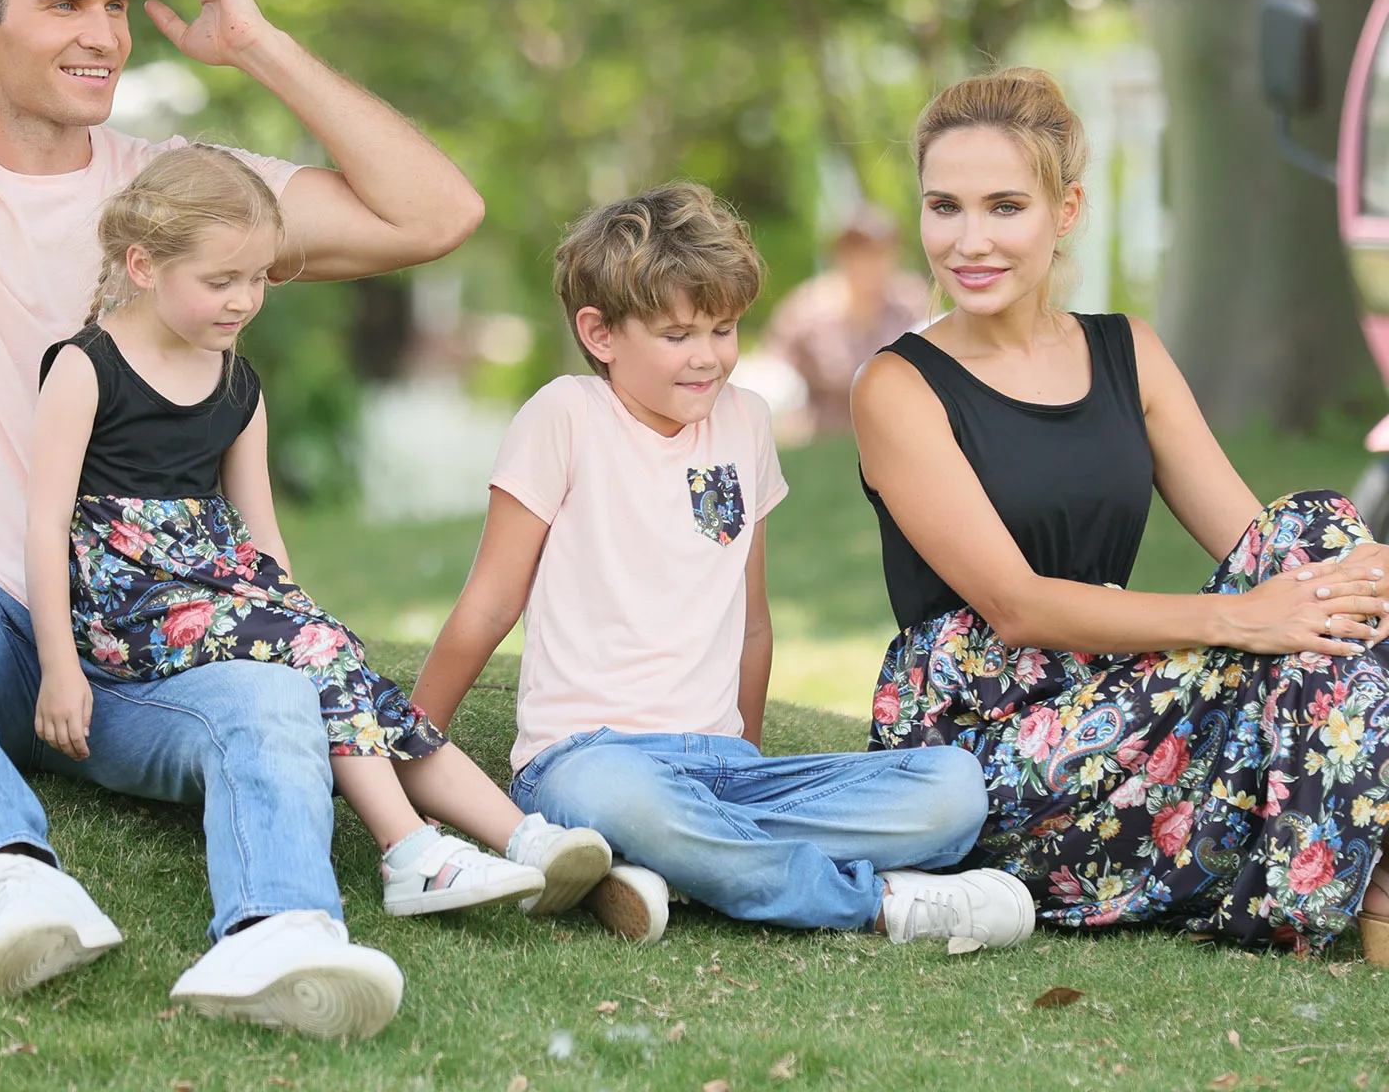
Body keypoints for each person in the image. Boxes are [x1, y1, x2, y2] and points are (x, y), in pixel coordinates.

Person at [0, 0, 487, 1038]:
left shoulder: (174, 199)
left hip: (145, 653)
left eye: (113, 6)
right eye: (64, 5)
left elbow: (434, 214)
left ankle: (281, 932)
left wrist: (256, 45)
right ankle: (5, 872)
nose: (103, 35)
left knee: (272, 683)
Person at [412, 181, 1037, 950]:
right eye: (678, 335)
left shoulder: (745, 421)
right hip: (588, 763)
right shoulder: (565, 415)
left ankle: (677, 860)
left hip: (725, 770)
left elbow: (752, 623)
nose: (708, 356)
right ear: (600, 333)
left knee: (953, 791)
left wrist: (745, 757)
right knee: (627, 801)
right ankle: (875, 903)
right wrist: (412, 754)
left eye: (724, 328)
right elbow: (487, 605)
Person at [852, 66, 1389, 957]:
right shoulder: (897, 385)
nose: (969, 241)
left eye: (1004, 207)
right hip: (989, 743)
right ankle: (1359, 873)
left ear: (1064, 211)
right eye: (945, 207)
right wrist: (1243, 620)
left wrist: (1341, 581)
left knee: (1319, 529)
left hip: (1132, 692)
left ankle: (1352, 868)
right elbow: (1017, 607)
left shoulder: (1127, 351)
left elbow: (1267, 550)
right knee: (1312, 592)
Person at [27, 145, 613, 941]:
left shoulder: (236, 382)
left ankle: (524, 839)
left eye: (257, 279)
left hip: (220, 593)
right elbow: (45, 524)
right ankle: (408, 850)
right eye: (220, 281)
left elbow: (261, 535)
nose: (243, 300)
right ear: (143, 265)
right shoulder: (86, 368)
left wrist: (305, 621)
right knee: (317, 649)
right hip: (128, 609)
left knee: (343, 665)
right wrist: (59, 668)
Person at [763, 204, 928, 438]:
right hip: (826, 437)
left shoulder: (911, 304)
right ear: (840, 255)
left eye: (878, 252)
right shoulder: (807, 311)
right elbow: (776, 377)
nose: (868, 263)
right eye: (858, 252)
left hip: (897, 433)